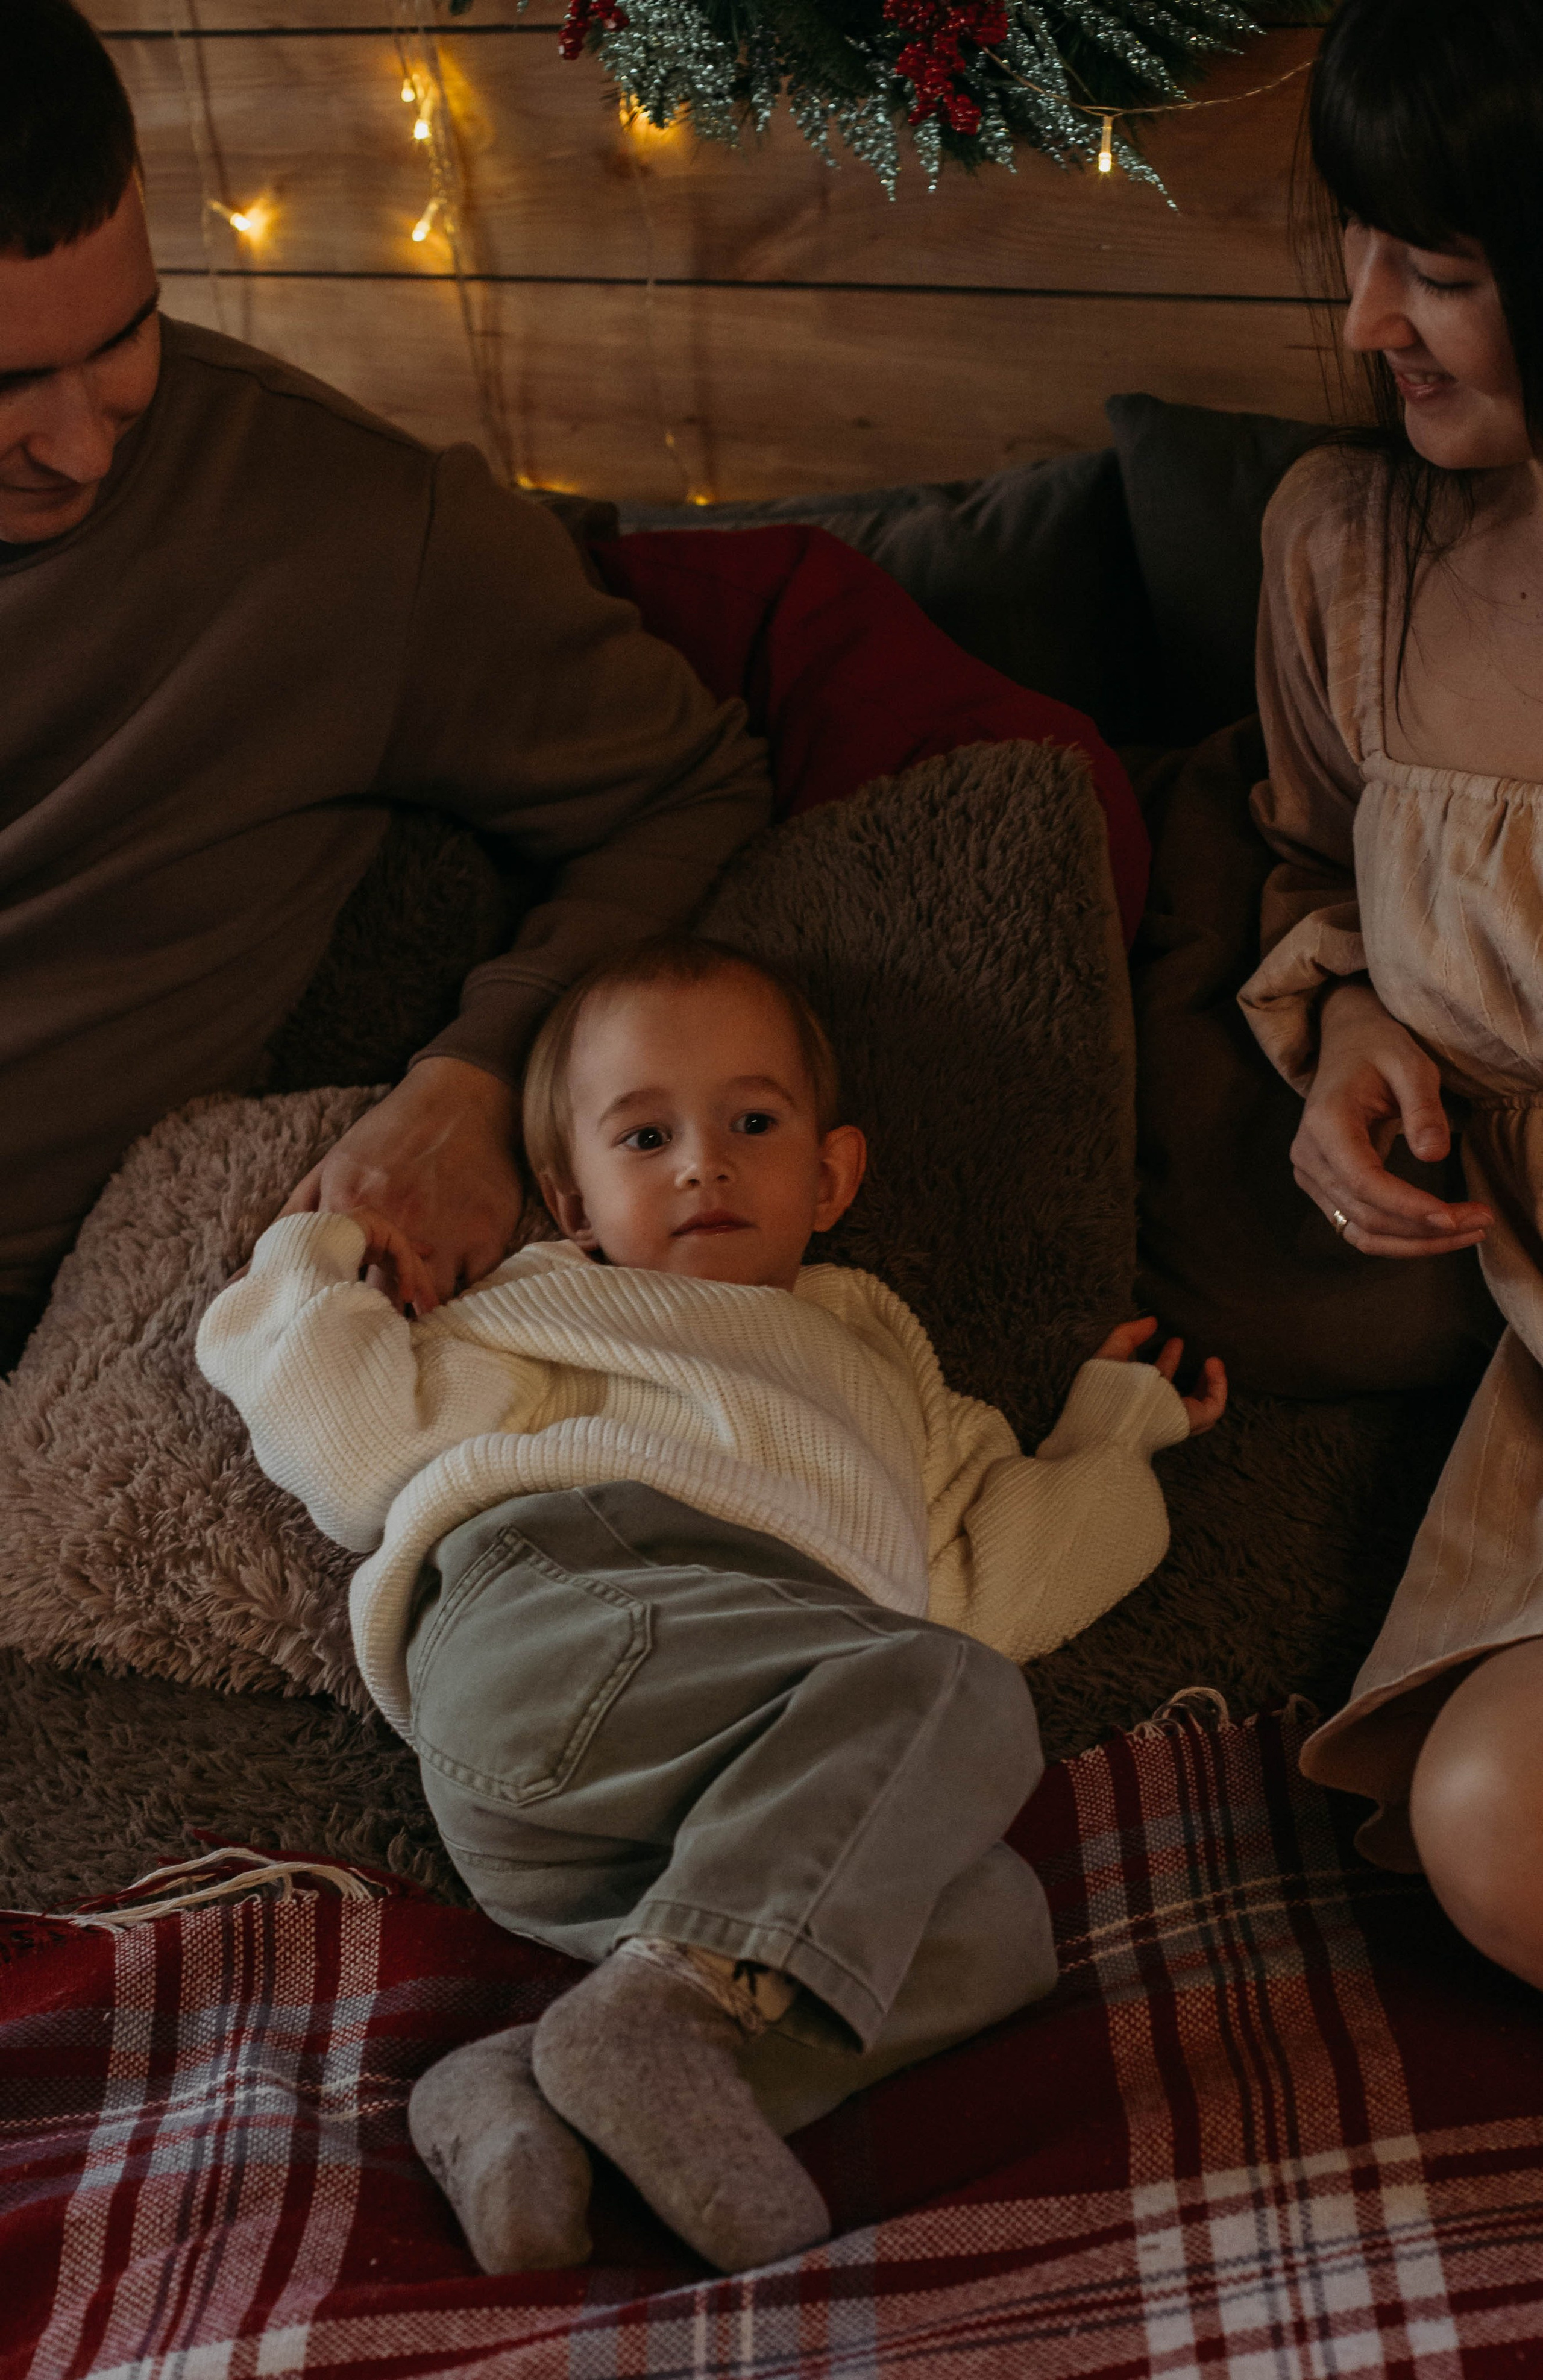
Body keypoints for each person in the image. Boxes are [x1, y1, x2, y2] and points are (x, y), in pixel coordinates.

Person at [197, 936, 1227, 2275]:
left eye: (751, 1122)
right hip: (560, 1620)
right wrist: (321, 1256)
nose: (702, 1163)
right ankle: (658, 2019)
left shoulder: (887, 1371)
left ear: (830, 1173)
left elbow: (1002, 1585)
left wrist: (1114, 1433)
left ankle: (538, 2095)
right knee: (943, 1686)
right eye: (644, 1136)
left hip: (661, 1839)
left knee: (985, 1930)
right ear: (570, 1203)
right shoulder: (553, 1310)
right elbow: (345, 1443)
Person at [0, 0, 772, 1376]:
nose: (78, 447)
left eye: (122, 340)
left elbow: (688, 786)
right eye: (4, 386)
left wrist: (479, 1076)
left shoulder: (351, 531)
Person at [1236, 0, 1543, 1985]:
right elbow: (1312, 873)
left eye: (1435, 269)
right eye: (1356, 246)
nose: (1365, 322)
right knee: (1490, 1818)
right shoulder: (1347, 558)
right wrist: (1351, 1030)